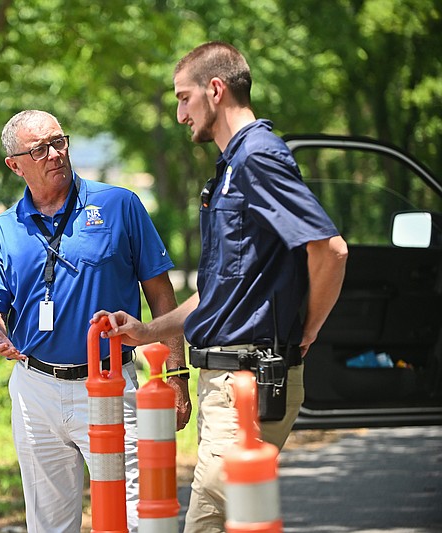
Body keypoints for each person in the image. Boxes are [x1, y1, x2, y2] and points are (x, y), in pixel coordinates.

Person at [93, 41, 349, 532]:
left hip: (247, 385)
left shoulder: (257, 158)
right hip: (223, 386)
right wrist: (147, 332)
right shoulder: (233, 167)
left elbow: (330, 250)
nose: (179, 113)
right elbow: (217, 296)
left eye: (184, 97)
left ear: (216, 89)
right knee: (219, 522)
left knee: (219, 518)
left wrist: (306, 329)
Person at [0, 109, 192, 533]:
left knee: (133, 519)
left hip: (111, 384)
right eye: (40, 149)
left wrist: (178, 375)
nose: (55, 154)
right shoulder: (4, 229)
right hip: (35, 390)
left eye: (59, 141)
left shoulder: (119, 205)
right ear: (15, 165)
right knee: (50, 524)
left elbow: (162, 295)